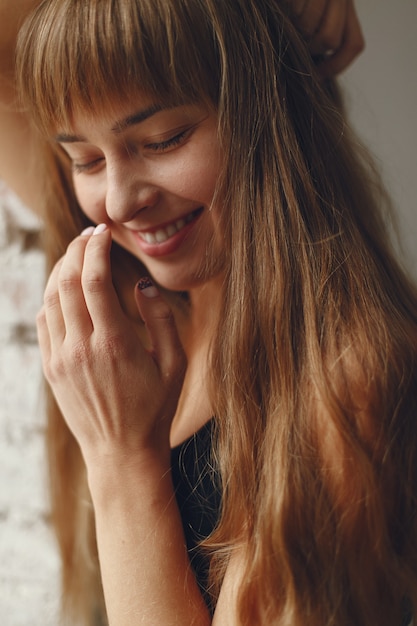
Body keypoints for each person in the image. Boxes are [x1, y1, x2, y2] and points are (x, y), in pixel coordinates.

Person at [3, 0, 417, 624]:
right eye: (85, 160)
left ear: (271, 112)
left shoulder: (347, 386)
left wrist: (122, 458)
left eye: (164, 139)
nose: (117, 202)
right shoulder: (149, 298)